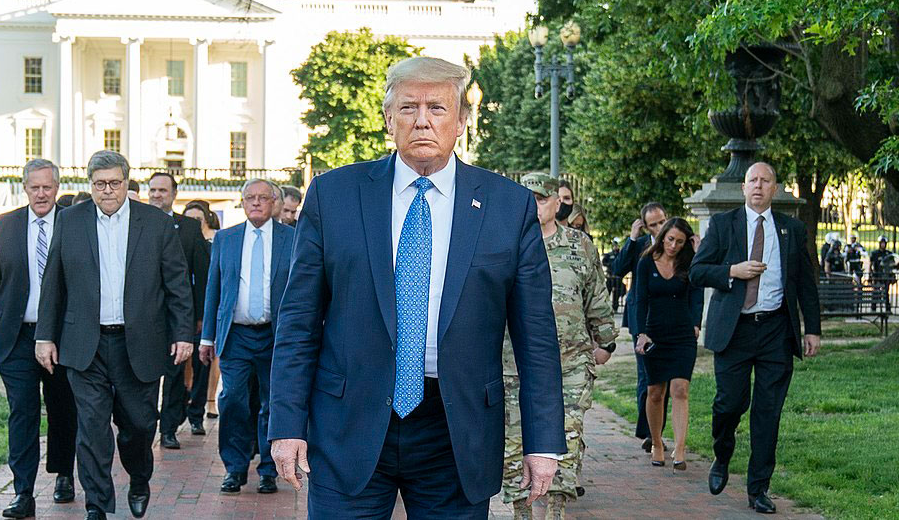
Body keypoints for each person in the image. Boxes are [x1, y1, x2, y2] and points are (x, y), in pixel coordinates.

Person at [268, 56, 566, 518]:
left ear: (462, 121)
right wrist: (286, 425)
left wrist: (543, 441)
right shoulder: (334, 195)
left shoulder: (509, 207)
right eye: (408, 108)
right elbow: (298, 323)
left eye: (437, 108)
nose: (422, 120)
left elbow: (537, 339)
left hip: (456, 430)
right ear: (388, 119)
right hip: (349, 424)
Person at [35, 150, 194, 520]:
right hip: (84, 345)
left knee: (138, 425)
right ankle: (98, 505)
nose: (107, 191)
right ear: (90, 185)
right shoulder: (70, 220)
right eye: (99, 184)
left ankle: (139, 478)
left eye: (114, 183)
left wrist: (183, 332)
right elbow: (52, 283)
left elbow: (177, 285)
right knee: (91, 430)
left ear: (126, 182)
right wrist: (45, 336)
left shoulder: (154, 223)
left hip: (137, 344)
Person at [690, 162, 821, 514]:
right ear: (744, 188)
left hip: (776, 331)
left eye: (765, 181)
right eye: (753, 181)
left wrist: (813, 330)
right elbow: (696, 272)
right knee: (729, 403)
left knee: (768, 413)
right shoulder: (723, 224)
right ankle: (722, 453)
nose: (759, 186)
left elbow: (806, 282)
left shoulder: (791, 229)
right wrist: (732, 271)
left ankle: (758, 488)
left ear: (775, 189)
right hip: (735, 330)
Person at [501, 172, 617, 519]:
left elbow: (596, 294)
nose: (534, 205)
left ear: (557, 202)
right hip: (513, 365)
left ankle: (555, 513)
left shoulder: (579, 245)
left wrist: (606, 340)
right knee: (513, 445)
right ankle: (522, 513)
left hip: (570, 364)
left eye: (540, 199)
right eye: (529, 198)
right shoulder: (507, 243)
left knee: (564, 443)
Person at [0, 159, 78, 519]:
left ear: (57, 187)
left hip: (61, 337)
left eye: (47, 187)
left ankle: (64, 473)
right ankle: (23, 492)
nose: (41, 193)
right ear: (25, 188)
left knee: (63, 409)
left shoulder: (73, 223)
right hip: (16, 336)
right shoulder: (5, 225)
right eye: (34, 187)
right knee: (23, 412)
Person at [199, 179, 294, 495]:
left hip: (274, 335)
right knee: (233, 401)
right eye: (249, 198)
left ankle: (268, 470)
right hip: (236, 335)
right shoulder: (226, 239)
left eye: (263, 198)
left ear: (274, 203)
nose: (255, 203)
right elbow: (214, 289)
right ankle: (234, 468)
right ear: (242, 202)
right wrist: (207, 338)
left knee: (272, 403)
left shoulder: (291, 239)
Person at [633, 218, 703, 470]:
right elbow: (640, 301)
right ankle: (657, 443)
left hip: (683, 334)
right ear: (663, 237)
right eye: (671, 239)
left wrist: (696, 323)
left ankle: (681, 448)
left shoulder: (688, 263)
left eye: (680, 241)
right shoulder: (645, 263)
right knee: (655, 392)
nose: (674, 245)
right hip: (655, 333)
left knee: (680, 389)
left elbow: (697, 294)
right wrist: (641, 333)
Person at [148, 172, 211, 448]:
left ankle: (168, 429)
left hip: (176, 317)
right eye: (153, 190)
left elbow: (200, 275)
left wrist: (198, 317)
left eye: (162, 190)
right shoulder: (133, 222)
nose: (157, 195)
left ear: (174, 194)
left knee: (174, 376)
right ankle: (143, 427)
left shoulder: (188, 228)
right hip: (143, 317)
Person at [611, 202, 669, 450]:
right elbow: (618, 268)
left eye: (662, 221)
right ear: (645, 226)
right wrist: (632, 240)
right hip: (641, 318)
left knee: (665, 377)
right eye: (653, 224)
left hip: (668, 317)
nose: (659, 227)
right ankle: (649, 434)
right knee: (646, 376)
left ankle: (658, 431)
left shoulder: (676, 242)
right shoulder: (640, 245)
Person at [182, 199, 222, 420]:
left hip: (204, 313)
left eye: (197, 220)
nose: (193, 224)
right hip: (181, 314)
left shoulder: (214, 244)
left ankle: (205, 403)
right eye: (189, 220)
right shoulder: (174, 243)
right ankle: (183, 403)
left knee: (205, 360)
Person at [602, 238, 626, 312]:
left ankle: (615, 307)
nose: (615, 247)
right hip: (610, 276)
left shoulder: (621, 254)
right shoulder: (609, 255)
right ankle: (604, 306)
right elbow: (604, 262)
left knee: (617, 292)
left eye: (617, 246)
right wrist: (609, 265)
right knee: (606, 291)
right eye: (614, 246)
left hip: (618, 276)